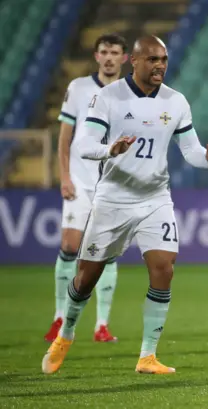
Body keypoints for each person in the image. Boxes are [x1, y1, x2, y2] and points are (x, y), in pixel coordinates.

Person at [41, 35, 208, 375]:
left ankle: (147, 356)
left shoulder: (176, 102)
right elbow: (84, 144)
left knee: (164, 268)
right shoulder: (108, 97)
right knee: (85, 278)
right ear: (135, 61)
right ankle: (66, 334)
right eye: (153, 59)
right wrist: (109, 149)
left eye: (164, 59)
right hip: (112, 198)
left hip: (155, 198)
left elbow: (190, 150)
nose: (160, 65)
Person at [45, 33, 128, 344]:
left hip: (112, 184)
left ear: (124, 58)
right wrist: (64, 176)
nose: (108, 57)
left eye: (114, 52)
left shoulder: (129, 93)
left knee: (106, 253)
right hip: (80, 180)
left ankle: (101, 325)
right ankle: (58, 317)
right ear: (96, 56)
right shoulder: (78, 88)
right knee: (70, 246)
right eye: (104, 52)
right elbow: (65, 137)